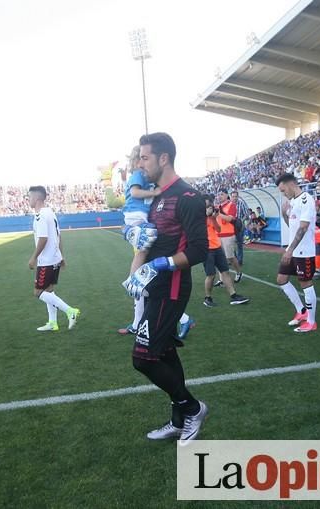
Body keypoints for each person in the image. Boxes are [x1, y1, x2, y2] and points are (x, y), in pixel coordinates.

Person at [122, 132, 208, 444]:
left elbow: (199, 249)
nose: (140, 163)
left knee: (143, 358)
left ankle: (193, 408)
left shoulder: (187, 197)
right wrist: (134, 237)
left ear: (163, 158)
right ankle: (178, 419)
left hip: (171, 286)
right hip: (153, 286)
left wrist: (163, 264)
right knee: (164, 352)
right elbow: (149, 235)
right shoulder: (155, 196)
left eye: (144, 157)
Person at [119, 146, 161, 335]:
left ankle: (135, 283)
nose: (144, 164)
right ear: (137, 162)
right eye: (142, 159)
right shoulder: (137, 174)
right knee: (142, 251)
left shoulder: (145, 176)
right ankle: (132, 281)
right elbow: (135, 193)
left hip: (140, 217)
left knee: (143, 251)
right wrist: (154, 192)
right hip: (136, 217)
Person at [27, 186, 80, 333]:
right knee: (49, 291)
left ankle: (70, 311)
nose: (28, 200)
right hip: (54, 259)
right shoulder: (50, 212)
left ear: (37, 198)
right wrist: (61, 257)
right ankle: (52, 323)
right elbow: (58, 236)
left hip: (47, 261)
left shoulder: (40, 215)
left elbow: (43, 238)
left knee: (38, 292)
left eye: (29, 197)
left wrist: (33, 258)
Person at [276, 173, 318, 333]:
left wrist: (290, 249)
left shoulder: (306, 200)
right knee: (281, 279)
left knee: (305, 283)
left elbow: (303, 227)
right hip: (292, 250)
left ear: (291, 184)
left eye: (283, 190)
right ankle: (302, 311)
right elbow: (292, 225)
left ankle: (311, 322)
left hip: (304, 251)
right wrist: (283, 213)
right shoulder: (293, 202)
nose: (283, 193)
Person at [202, 195, 249, 307]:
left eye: (210, 205)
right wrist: (206, 216)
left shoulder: (211, 217)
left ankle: (234, 296)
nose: (210, 207)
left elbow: (218, 229)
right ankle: (207, 298)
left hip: (217, 247)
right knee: (211, 275)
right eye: (208, 205)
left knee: (225, 272)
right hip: (207, 249)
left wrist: (213, 218)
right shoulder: (198, 217)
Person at [215, 189, 243, 282]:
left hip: (228, 235)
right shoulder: (218, 206)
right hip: (218, 235)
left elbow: (230, 219)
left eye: (222, 194)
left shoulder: (231, 205)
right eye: (219, 194)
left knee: (230, 257)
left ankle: (239, 272)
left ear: (227, 195)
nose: (219, 196)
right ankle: (221, 279)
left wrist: (218, 214)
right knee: (219, 257)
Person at [230, 190, 245, 267]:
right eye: (233, 196)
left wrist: (241, 221)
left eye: (236, 196)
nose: (235, 198)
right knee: (231, 244)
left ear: (238, 196)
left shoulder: (241, 203)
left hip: (239, 227)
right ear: (231, 197)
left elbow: (246, 215)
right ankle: (234, 259)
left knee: (239, 244)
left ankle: (240, 261)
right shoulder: (229, 205)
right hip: (231, 227)